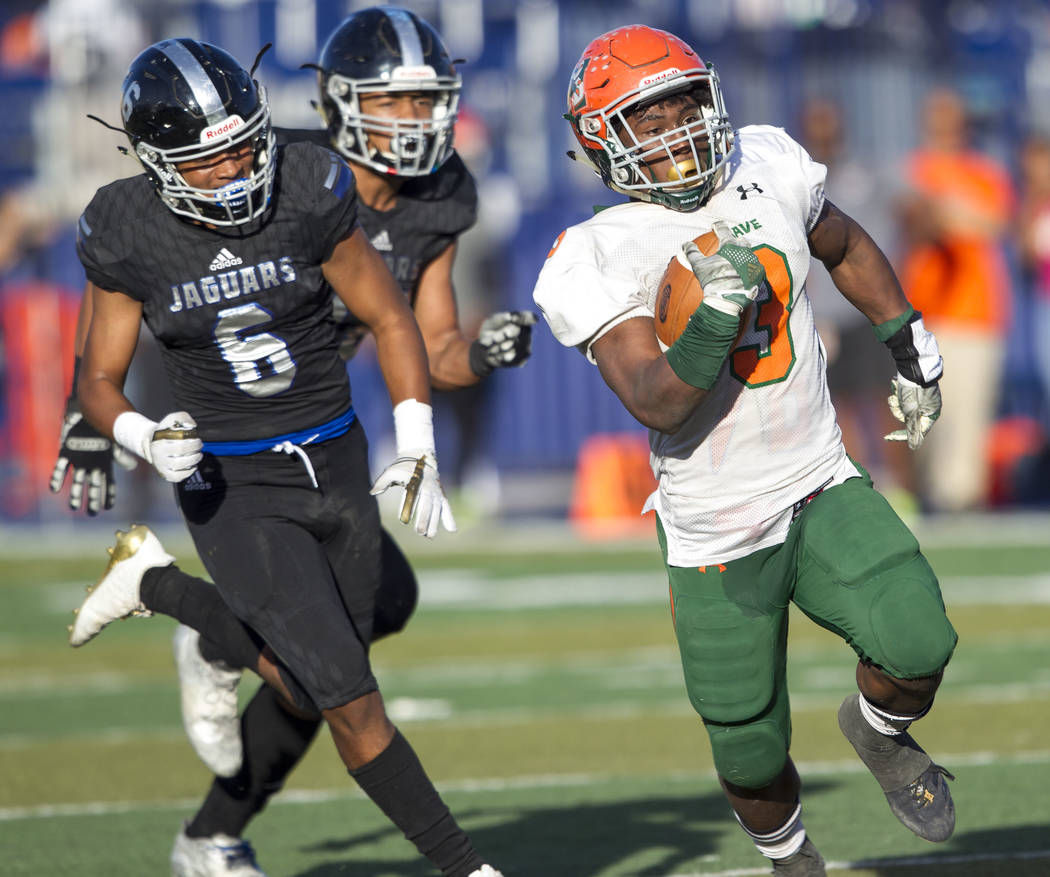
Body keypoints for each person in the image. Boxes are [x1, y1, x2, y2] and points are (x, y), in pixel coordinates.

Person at [63, 12, 532, 874]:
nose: (236, 169)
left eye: (425, 104)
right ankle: (457, 864)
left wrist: (425, 427)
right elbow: (103, 364)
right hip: (235, 465)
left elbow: (409, 327)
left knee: (363, 627)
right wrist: (115, 431)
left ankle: (178, 608)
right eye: (393, 104)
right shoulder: (161, 210)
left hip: (333, 444)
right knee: (338, 690)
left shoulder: (320, 184)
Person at [534, 25, 957, 876]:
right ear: (601, 140)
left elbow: (840, 241)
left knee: (918, 642)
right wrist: (712, 320)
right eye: (647, 118)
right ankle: (791, 856)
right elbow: (656, 397)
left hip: (818, 476)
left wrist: (904, 334)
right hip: (716, 527)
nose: (678, 126)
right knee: (749, 746)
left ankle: (878, 735)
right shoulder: (594, 254)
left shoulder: (765, 160)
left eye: (685, 101)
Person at [895, 86, 1015, 512]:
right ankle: (925, 496)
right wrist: (950, 213)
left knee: (968, 418)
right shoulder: (914, 168)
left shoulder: (984, 171)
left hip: (976, 313)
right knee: (922, 415)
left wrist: (949, 211)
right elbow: (917, 218)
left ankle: (961, 504)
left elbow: (994, 222)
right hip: (924, 312)